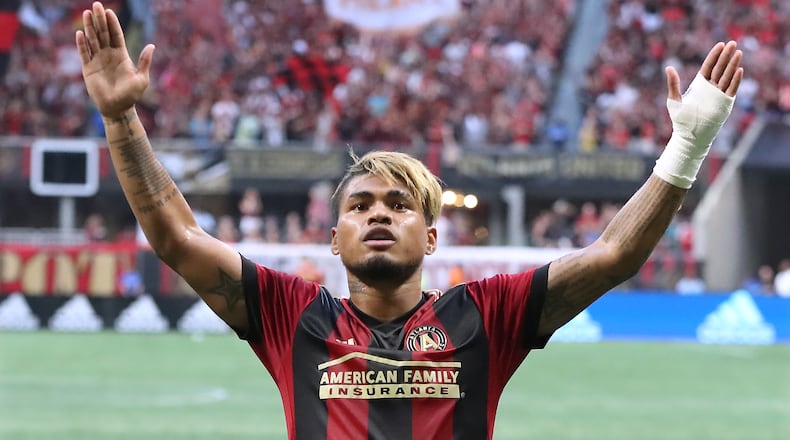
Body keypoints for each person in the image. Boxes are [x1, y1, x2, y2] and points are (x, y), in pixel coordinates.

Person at [76, 2, 743, 438]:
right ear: (333, 238)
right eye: (359, 206)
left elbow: (612, 256)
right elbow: (176, 237)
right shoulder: (290, 314)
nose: (377, 215)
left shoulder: (485, 315)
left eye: (399, 206)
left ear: (430, 236)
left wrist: (686, 147)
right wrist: (119, 116)